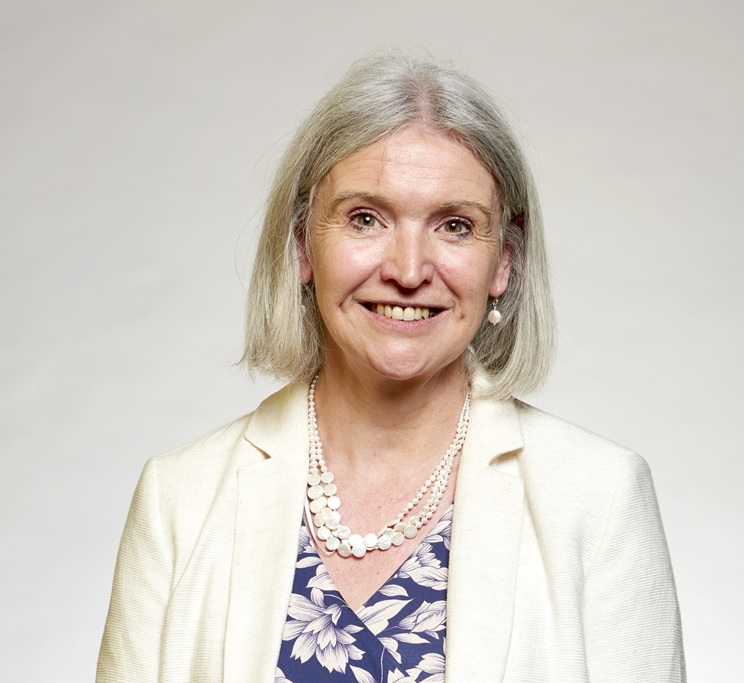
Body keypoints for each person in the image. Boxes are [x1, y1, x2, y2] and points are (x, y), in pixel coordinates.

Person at [97, 55, 685, 683]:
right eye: (365, 219)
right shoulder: (178, 498)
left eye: (455, 226)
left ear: (504, 264)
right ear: (303, 247)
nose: (408, 269)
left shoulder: (600, 496)